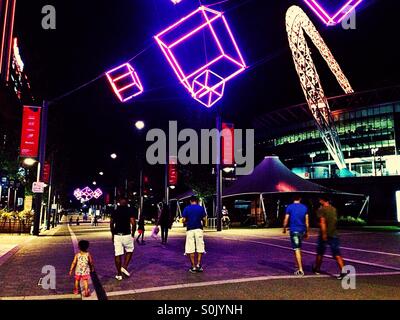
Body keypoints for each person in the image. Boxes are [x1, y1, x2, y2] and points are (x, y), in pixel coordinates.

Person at [312, 196, 347, 280]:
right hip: (334, 233)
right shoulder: (333, 209)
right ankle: (343, 271)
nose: (319, 200)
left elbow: (322, 222)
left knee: (320, 252)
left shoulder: (321, 209)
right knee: (337, 253)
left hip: (325, 234)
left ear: (322, 200)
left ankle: (317, 268)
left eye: (320, 199)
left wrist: (324, 234)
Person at [110, 197, 136, 281]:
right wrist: (133, 233)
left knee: (118, 254)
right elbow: (133, 223)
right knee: (129, 250)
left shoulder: (115, 211)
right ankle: (124, 267)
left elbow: (111, 224)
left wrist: (113, 234)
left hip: (117, 235)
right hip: (127, 234)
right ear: (127, 202)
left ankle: (119, 274)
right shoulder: (129, 210)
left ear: (118, 202)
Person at [283, 195, 309, 276]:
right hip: (302, 230)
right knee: (298, 248)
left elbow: (286, 219)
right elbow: (307, 221)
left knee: (296, 249)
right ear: (300, 198)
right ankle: (297, 264)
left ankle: (300, 269)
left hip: (294, 230)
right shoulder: (304, 207)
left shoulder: (289, 207)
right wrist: (307, 232)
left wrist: (284, 228)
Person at [182, 196, 207, 273]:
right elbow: (205, 218)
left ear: (190, 201)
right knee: (200, 246)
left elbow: (184, 219)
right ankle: (199, 265)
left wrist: (184, 222)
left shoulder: (186, 208)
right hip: (199, 229)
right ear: (197, 201)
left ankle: (193, 267)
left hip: (190, 229)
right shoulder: (200, 208)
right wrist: (205, 225)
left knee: (190, 247)